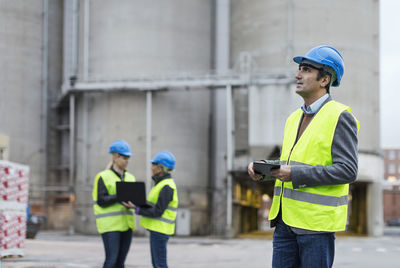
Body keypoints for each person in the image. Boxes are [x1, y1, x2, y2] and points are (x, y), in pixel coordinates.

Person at [248, 45, 359, 268]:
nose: (298, 75)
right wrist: (265, 170)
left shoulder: (339, 116)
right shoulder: (293, 118)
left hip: (315, 227)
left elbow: (348, 170)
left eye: (307, 69)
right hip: (284, 223)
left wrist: (295, 174)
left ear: (324, 80)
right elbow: (292, 163)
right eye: (300, 69)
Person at [123, 151, 178, 268]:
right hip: (157, 230)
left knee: (159, 264)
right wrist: (137, 203)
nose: (151, 167)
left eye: (154, 164)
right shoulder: (160, 184)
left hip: (160, 230)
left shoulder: (166, 186)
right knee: (157, 264)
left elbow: (158, 211)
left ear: (161, 168)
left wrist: (138, 209)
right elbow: (153, 205)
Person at [92, 140, 136, 268]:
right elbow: (101, 200)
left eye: (128, 157)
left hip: (127, 225)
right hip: (110, 226)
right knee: (111, 260)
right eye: (124, 157)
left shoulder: (131, 178)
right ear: (115, 157)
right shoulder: (103, 176)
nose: (127, 160)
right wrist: (120, 196)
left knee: (120, 263)